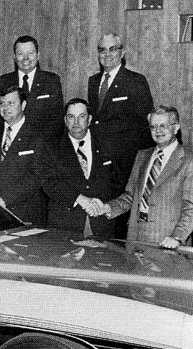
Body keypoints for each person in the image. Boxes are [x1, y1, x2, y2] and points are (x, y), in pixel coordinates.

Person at [99, 106, 193, 248]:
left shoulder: (188, 160)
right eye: (153, 126)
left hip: (168, 242)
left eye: (163, 125)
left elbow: (191, 207)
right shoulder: (142, 156)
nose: (158, 130)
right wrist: (108, 207)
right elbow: (130, 196)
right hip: (135, 237)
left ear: (176, 128)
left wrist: (177, 237)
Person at [43, 98, 122, 238]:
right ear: (65, 120)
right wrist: (80, 199)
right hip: (64, 225)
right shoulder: (51, 147)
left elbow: (118, 182)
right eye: (71, 117)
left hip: (101, 223)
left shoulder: (108, 144)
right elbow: (48, 182)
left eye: (81, 116)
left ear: (89, 119)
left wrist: (104, 205)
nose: (76, 122)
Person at [0, 85, 49, 226]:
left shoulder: (38, 135)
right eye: (2, 103)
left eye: (11, 103)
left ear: (23, 105)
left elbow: (36, 176)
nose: (5, 108)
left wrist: (5, 200)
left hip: (24, 213)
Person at [88, 33, 154, 181]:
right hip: (99, 158)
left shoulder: (135, 81)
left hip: (125, 161)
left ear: (122, 52)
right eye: (102, 50)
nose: (107, 54)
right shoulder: (93, 81)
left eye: (113, 49)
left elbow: (144, 124)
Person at [0, 35, 64, 137]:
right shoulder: (3, 81)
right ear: (15, 57)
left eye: (30, 53)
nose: (26, 58)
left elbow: (57, 119)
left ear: (38, 55)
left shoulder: (51, 81)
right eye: (20, 54)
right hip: (12, 141)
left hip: (42, 141)